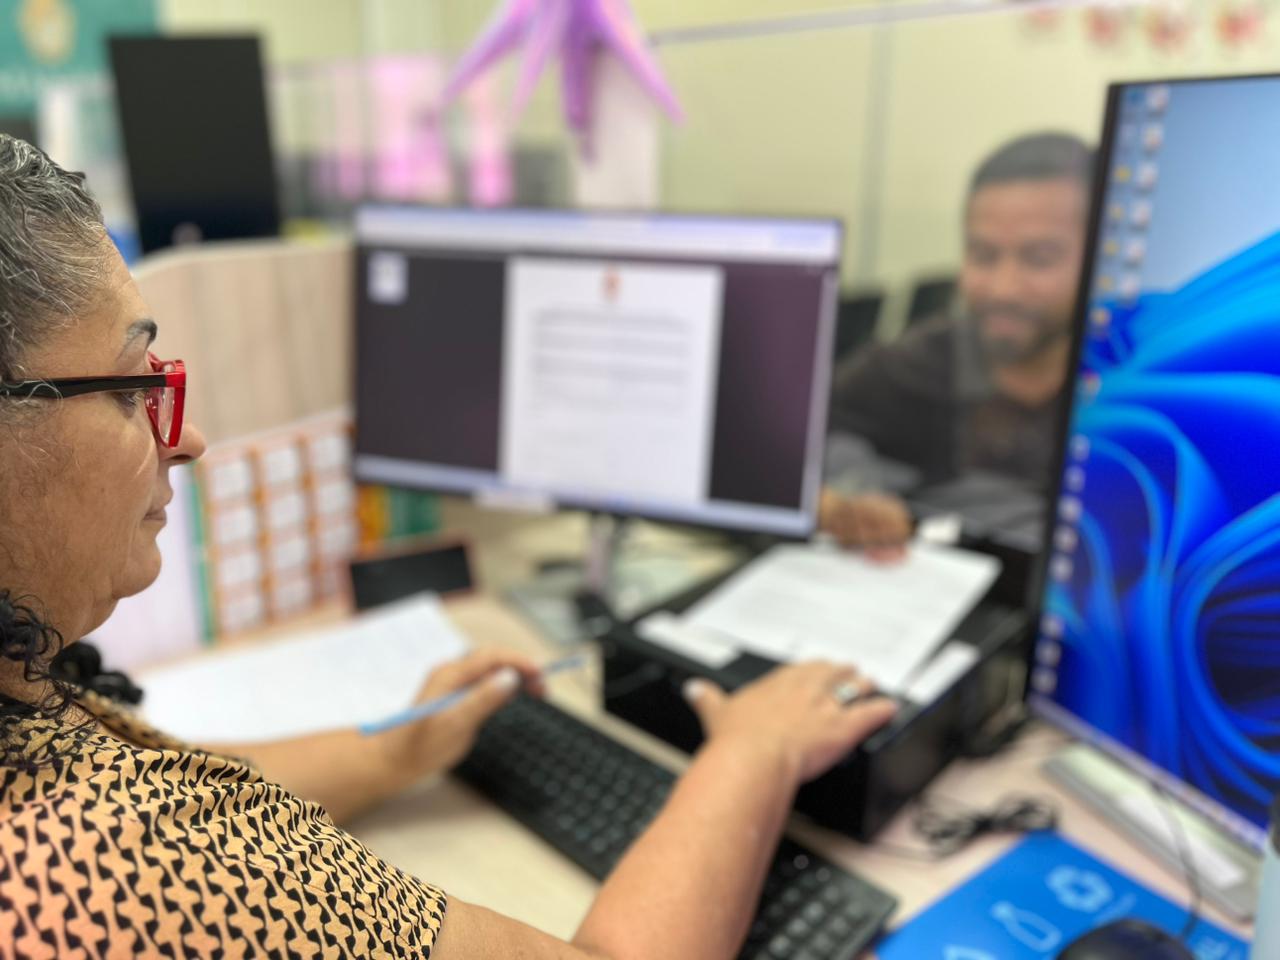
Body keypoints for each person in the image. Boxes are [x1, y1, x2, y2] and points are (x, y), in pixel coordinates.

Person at [0, 136, 897, 959]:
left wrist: (393, 752)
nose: (186, 438)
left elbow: (193, 779)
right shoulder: (103, 856)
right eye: (132, 388)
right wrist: (755, 751)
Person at [822, 132, 1094, 554]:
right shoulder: (917, 364)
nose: (1003, 288)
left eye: (1039, 259)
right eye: (983, 255)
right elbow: (811, 432)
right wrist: (851, 494)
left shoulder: (1137, 377)